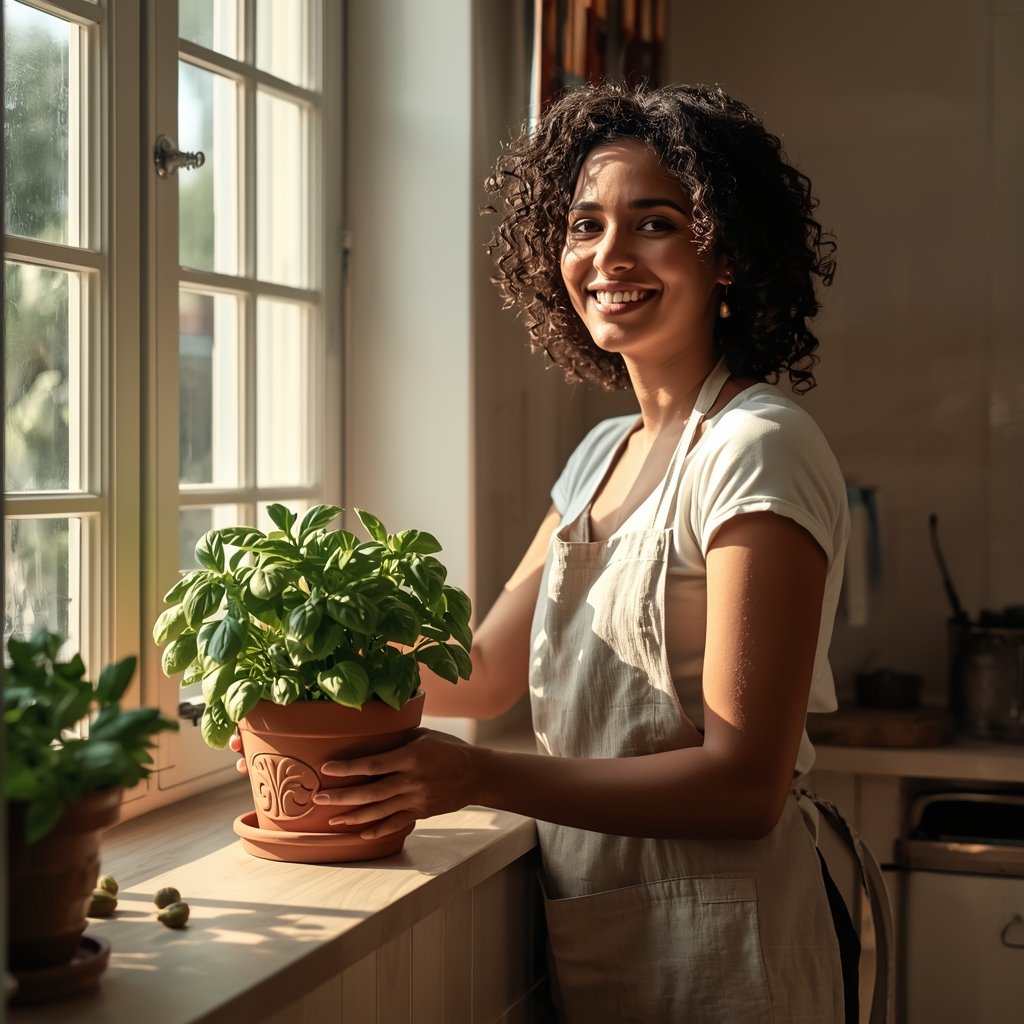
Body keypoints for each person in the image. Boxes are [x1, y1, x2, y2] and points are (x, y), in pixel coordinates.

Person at [235, 82, 869, 1022]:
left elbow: (746, 788)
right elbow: (483, 671)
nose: (609, 256)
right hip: (609, 925)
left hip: (740, 948)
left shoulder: (756, 446)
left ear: (726, 251)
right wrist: (282, 658)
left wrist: (478, 775)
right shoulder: (595, 459)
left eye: (654, 222)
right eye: (584, 225)